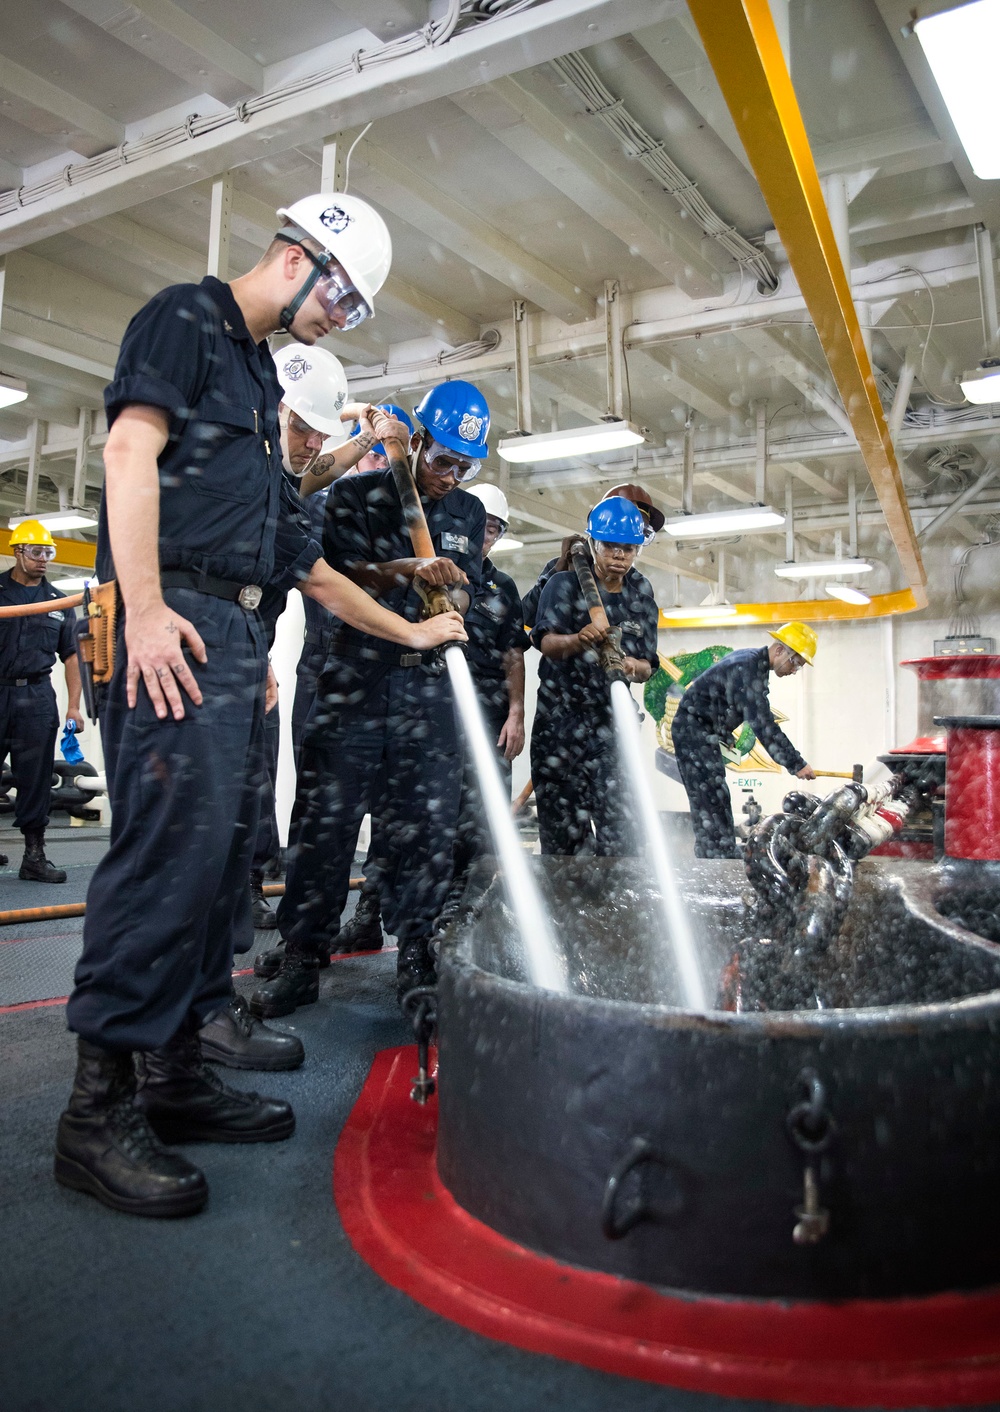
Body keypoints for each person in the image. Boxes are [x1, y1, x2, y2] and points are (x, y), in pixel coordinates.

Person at [56, 191, 467, 1220]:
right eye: (347, 300)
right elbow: (125, 454)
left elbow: (311, 565)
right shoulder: (185, 318)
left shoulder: (253, 375)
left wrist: (413, 629)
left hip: (237, 634)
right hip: (178, 624)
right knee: (161, 860)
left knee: (218, 862)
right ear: (301, 259)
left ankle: (176, 1070)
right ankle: (96, 1110)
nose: (344, 319)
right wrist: (142, 608)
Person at [249, 379, 490, 1017]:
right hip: (356, 676)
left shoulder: (464, 514)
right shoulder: (354, 496)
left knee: (426, 830)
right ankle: (303, 955)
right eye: (441, 460)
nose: (450, 476)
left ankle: (416, 949)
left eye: (466, 466)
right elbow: (338, 576)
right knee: (324, 827)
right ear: (414, 443)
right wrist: (407, 571)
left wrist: (454, 595)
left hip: (428, 690)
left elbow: (474, 590)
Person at [344, 480, 526, 943]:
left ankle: (468, 917)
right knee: (404, 813)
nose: (483, 536)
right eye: (479, 527)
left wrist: (516, 713)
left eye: (492, 529)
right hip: (429, 696)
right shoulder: (424, 578)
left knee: (478, 819)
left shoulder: (502, 588)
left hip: (484, 712)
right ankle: (371, 908)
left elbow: (513, 655)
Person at [530, 497, 659, 856]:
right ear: (593, 544)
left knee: (621, 831)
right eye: (611, 546)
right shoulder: (564, 585)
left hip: (613, 726)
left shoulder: (642, 596)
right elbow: (546, 642)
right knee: (563, 835)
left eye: (629, 548)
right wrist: (578, 639)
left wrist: (632, 666)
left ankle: (618, 909)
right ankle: (564, 909)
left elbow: (649, 663)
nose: (620, 555)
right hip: (561, 724)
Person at [671, 622, 818, 859]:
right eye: (796, 661)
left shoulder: (751, 664)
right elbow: (763, 723)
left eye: (799, 666)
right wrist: (796, 763)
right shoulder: (748, 667)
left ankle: (720, 850)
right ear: (779, 650)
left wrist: (723, 734)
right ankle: (714, 855)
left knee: (715, 793)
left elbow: (717, 700)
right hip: (692, 731)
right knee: (708, 795)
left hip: (700, 730)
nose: (794, 669)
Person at [0, 519, 83, 883]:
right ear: (18, 552)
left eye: (48, 552)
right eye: (36, 552)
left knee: (35, 778)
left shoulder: (59, 602)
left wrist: (74, 707)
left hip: (36, 696)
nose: (44, 559)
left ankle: (34, 856)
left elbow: (72, 656)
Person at [521, 482, 665, 630]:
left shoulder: (639, 585)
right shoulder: (563, 570)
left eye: (639, 529)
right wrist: (559, 570)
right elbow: (528, 617)